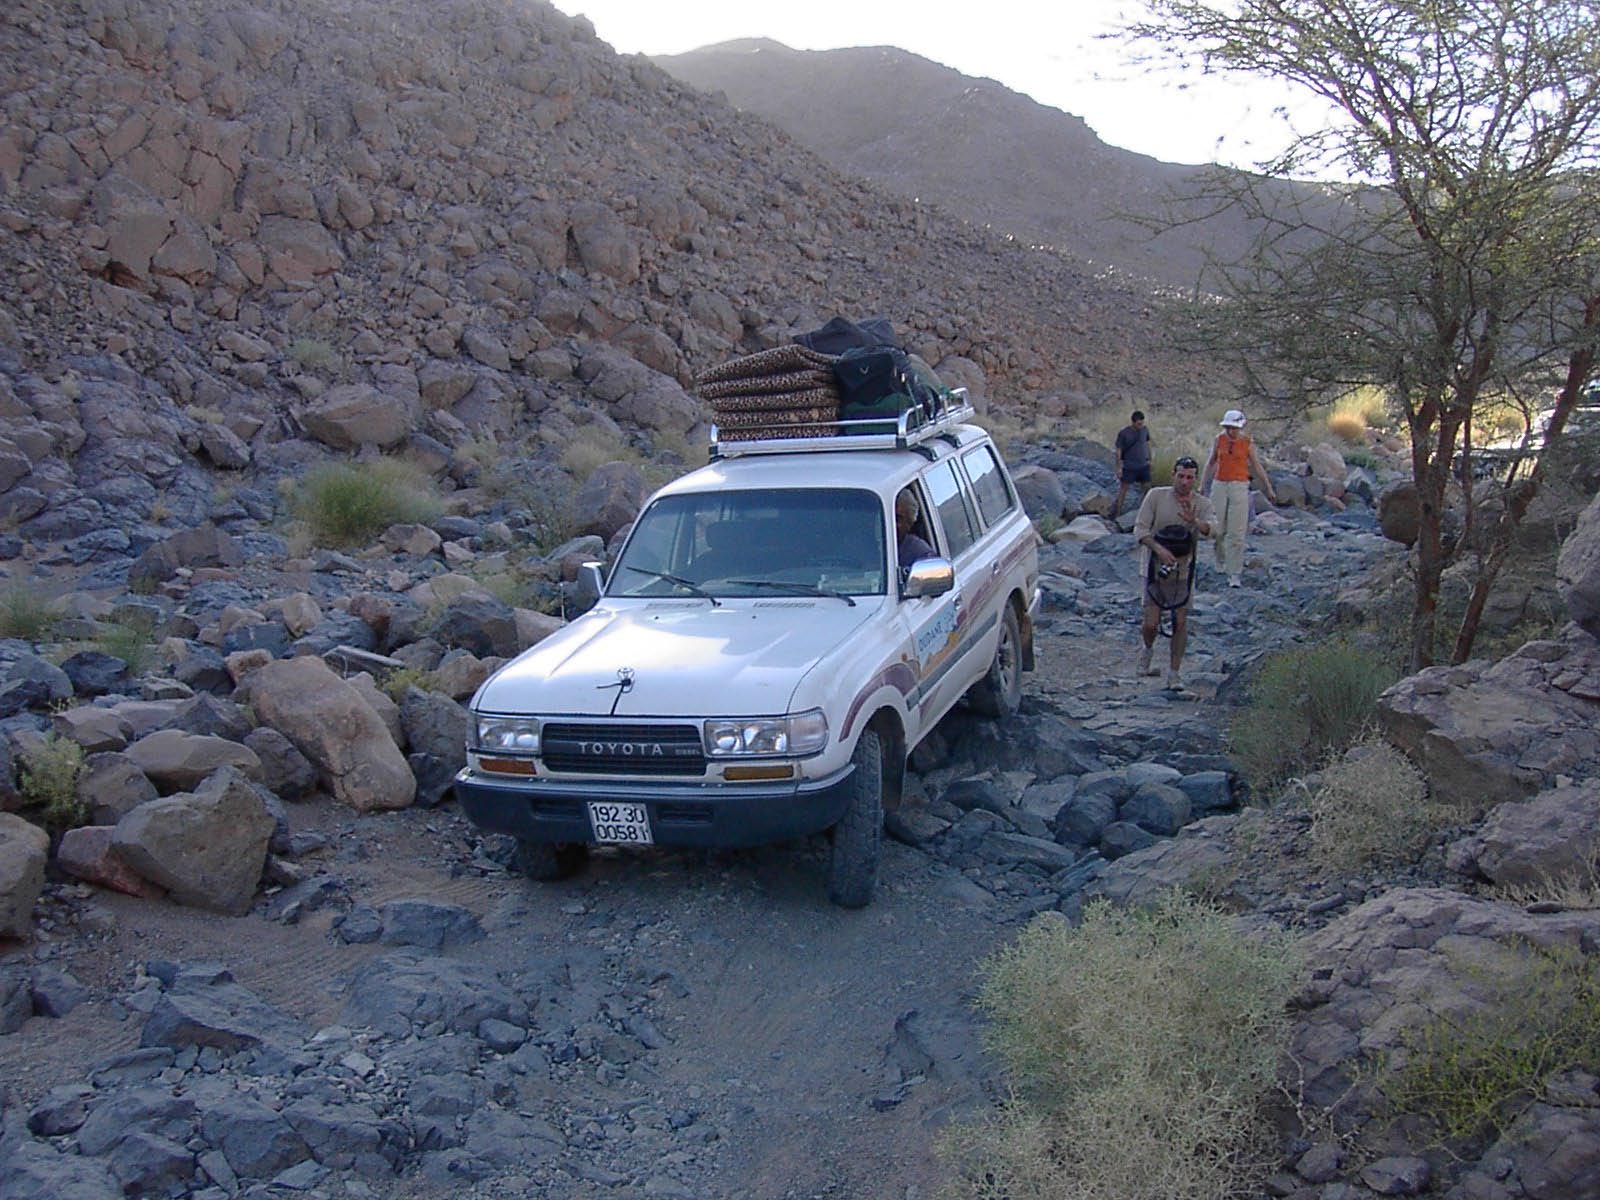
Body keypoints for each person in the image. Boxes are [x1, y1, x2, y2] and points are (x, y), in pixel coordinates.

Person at [1133, 456, 1215, 693]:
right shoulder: (1156, 496)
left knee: (1180, 621)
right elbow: (1140, 529)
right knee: (1151, 623)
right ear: (1173, 475)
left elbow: (1213, 529)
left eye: (1190, 477)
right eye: (1181, 476)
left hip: (1182, 572)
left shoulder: (1202, 503)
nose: (1185, 482)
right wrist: (1159, 550)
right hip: (1154, 569)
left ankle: (1174, 673)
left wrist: (1194, 521)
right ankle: (1147, 650)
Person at [1201, 409, 1277, 588]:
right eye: (1228, 427)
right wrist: (1202, 484)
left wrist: (1268, 487)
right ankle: (1221, 560)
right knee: (1218, 528)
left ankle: (1234, 572)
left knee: (1236, 532)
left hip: (1240, 486)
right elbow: (1211, 462)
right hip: (1220, 485)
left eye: (1234, 428)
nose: (1231, 431)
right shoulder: (1219, 440)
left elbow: (1256, 466)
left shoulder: (1247, 442)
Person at [1112, 410, 1152, 519]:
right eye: (1138, 424)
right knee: (1123, 490)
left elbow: (1147, 444)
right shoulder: (1124, 433)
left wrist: (1149, 460)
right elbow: (1119, 450)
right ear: (1133, 422)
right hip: (1129, 466)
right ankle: (1117, 513)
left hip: (1143, 465)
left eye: (1142, 423)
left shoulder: (1144, 430)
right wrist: (1119, 467)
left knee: (1147, 488)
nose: (1140, 426)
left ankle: (1146, 512)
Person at [894, 488, 935, 579]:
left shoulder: (919, 553)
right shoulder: (863, 545)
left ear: (909, 523)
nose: (890, 523)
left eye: (897, 519)